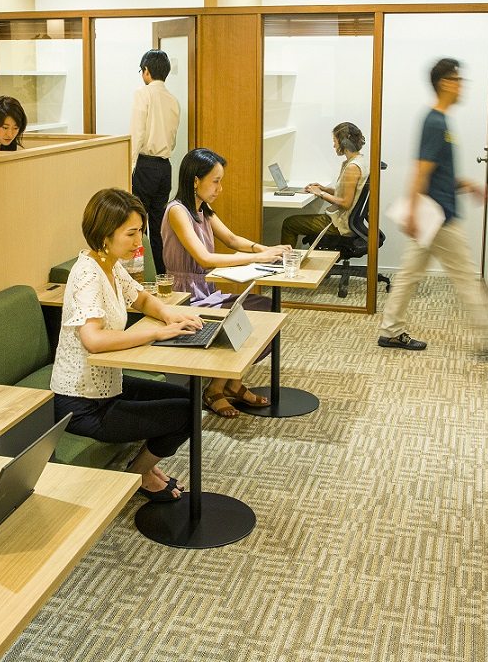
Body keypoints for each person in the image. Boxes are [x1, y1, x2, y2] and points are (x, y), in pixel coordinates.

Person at [51, 188, 203, 501]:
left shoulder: (111, 264)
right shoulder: (87, 275)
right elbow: (93, 340)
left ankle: (144, 468)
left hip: (109, 385)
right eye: (131, 234)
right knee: (186, 413)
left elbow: (141, 298)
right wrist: (156, 334)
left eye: (140, 232)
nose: (138, 242)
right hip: (81, 403)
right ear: (104, 235)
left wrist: (169, 315)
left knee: (188, 399)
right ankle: (137, 475)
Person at [378, 58, 488, 357]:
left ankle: (390, 330)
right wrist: (412, 212)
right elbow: (421, 170)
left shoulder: (441, 121)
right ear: (446, 83)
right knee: (466, 276)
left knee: (409, 274)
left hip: (435, 212)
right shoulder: (435, 122)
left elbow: (439, 172)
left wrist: (470, 185)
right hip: (438, 215)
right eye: (459, 80)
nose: (462, 86)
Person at [161, 147, 290, 417]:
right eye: (216, 181)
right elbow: (205, 258)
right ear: (195, 181)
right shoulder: (177, 211)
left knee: (267, 310)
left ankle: (231, 382)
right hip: (184, 297)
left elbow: (231, 239)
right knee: (247, 316)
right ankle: (216, 389)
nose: (220, 188)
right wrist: (256, 258)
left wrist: (264, 249)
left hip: (205, 291)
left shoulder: (203, 209)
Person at [129, 49, 182, 274]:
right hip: (164, 167)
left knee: (137, 225)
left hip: (144, 166)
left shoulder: (143, 93)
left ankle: (140, 274)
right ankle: (160, 275)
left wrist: (130, 167)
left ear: (146, 70)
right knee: (159, 226)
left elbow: (137, 133)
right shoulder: (173, 100)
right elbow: (173, 140)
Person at [280, 122, 370, 249]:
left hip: (339, 224)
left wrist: (321, 194)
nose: (334, 145)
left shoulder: (352, 167)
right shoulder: (358, 161)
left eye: (335, 141)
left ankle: (285, 259)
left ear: (343, 142)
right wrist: (324, 188)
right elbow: (347, 193)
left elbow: (345, 203)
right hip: (345, 221)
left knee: (289, 224)